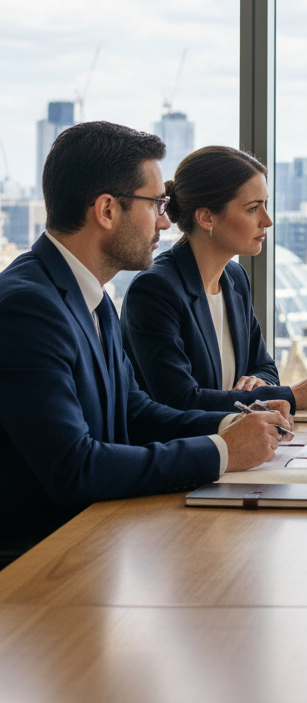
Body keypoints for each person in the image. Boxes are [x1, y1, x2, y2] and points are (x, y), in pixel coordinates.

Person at [0, 122, 291, 555]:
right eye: (156, 203)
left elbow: (134, 412)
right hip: (42, 562)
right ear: (106, 210)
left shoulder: (92, 296)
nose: (165, 220)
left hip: (100, 539)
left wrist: (229, 424)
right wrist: (222, 451)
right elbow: (75, 468)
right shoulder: (27, 307)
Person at [121, 145, 307, 413]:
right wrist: (292, 396)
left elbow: (264, 366)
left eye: (265, 205)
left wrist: (259, 382)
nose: (267, 220)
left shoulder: (235, 278)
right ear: (207, 217)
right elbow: (181, 401)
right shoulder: (155, 290)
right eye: (253, 208)